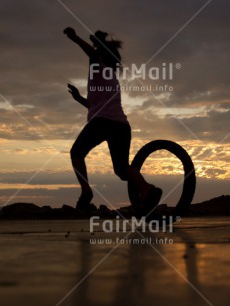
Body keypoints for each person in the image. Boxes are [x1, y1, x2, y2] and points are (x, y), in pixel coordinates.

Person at [64, 27, 162, 215]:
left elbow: (92, 53)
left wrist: (75, 38)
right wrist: (78, 98)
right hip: (121, 126)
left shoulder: (99, 67)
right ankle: (148, 189)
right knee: (122, 170)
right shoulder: (110, 78)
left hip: (103, 123)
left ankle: (86, 192)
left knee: (76, 152)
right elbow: (94, 106)